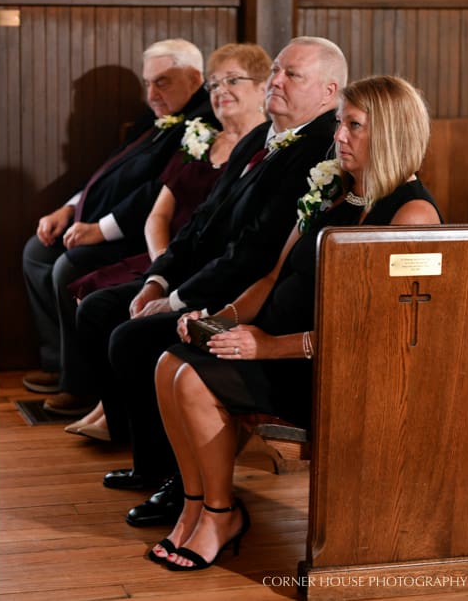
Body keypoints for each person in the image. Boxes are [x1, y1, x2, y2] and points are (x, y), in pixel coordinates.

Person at [152, 74, 441, 571]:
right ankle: (196, 506)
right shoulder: (333, 191)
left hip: (331, 371)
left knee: (194, 379)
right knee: (167, 364)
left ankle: (222, 514)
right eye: (339, 124)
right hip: (278, 347)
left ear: (391, 132)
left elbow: (379, 333)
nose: (339, 137)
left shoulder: (410, 215)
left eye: (355, 126)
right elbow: (271, 277)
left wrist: (267, 346)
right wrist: (219, 320)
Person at [76, 37, 346, 527]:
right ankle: (150, 463)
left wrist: (179, 300)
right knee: (100, 309)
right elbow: (200, 221)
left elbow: (253, 254)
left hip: (245, 299)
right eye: (277, 71)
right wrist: (157, 280)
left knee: (133, 339)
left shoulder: (318, 151)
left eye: (293, 76)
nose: (277, 82)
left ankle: (179, 481)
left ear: (329, 92)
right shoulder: (258, 137)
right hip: (203, 278)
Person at [65, 43, 271, 442]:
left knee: (118, 315)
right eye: (215, 83)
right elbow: (159, 214)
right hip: (175, 257)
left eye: (232, 81)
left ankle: (122, 417)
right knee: (94, 303)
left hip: (213, 274)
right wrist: (161, 268)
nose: (220, 90)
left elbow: (241, 243)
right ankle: (113, 409)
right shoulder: (201, 136)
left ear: (264, 88)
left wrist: (171, 278)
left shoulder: (262, 149)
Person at [23, 39, 215, 416]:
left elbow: (155, 193)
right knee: (37, 251)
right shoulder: (156, 115)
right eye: (148, 83)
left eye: (162, 82)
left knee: (69, 265)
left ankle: (80, 385)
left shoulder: (202, 123)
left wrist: (101, 229)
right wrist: (69, 206)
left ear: (195, 78)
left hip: (142, 234)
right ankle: (59, 362)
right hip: (101, 219)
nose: (152, 94)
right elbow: (109, 169)